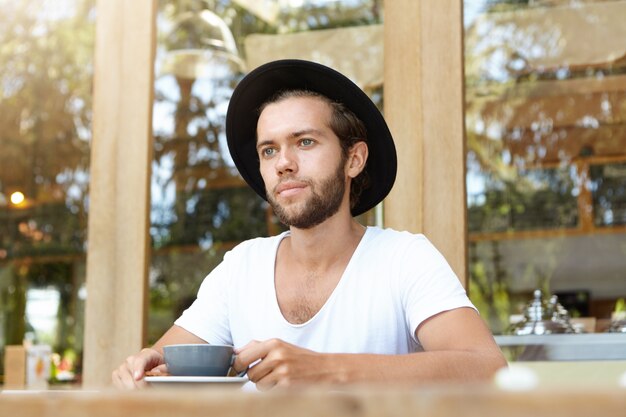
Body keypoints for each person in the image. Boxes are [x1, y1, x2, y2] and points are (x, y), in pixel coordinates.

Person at [113, 59, 507, 390]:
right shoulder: (241, 267)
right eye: (269, 150)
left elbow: (488, 370)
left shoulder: (404, 258)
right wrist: (142, 370)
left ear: (354, 160)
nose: (283, 162)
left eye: (304, 142)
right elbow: (166, 366)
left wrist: (326, 369)